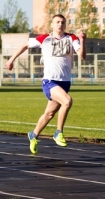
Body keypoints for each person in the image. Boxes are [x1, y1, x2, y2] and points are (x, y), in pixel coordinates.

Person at [5, 14, 86, 155]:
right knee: (67, 101)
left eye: (62, 22)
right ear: (52, 25)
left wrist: (82, 40)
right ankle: (58, 132)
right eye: (57, 22)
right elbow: (25, 45)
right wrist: (11, 59)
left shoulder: (71, 38)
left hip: (65, 82)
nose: (60, 25)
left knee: (49, 114)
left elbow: (82, 56)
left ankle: (33, 134)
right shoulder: (45, 39)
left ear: (65, 25)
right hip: (49, 81)